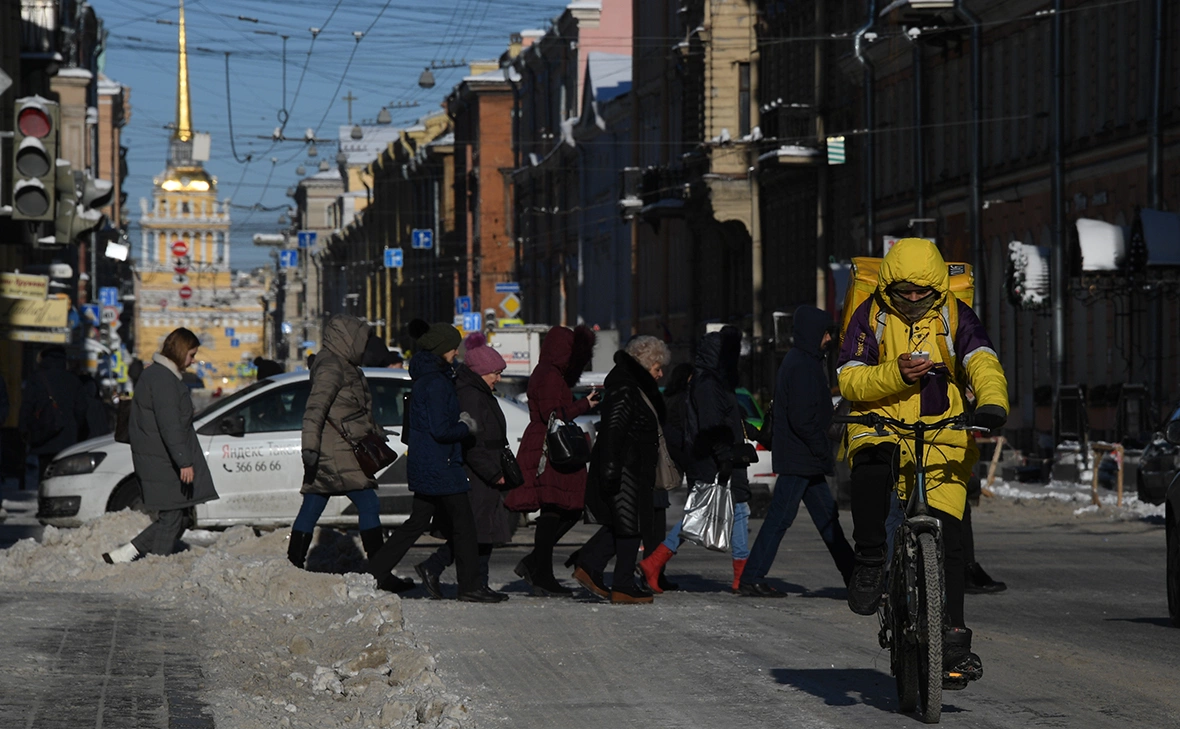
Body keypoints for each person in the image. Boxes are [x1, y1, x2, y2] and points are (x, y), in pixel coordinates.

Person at [837, 237, 1008, 683]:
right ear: (888, 287)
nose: (913, 300)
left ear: (937, 288)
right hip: (879, 424)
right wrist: (895, 373)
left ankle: (953, 644)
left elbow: (982, 360)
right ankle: (869, 562)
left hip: (940, 432)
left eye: (922, 292)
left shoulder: (955, 314)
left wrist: (992, 402)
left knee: (950, 540)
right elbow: (850, 379)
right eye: (904, 292)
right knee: (870, 474)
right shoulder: (870, 314)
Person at [369, 321, 503, 603]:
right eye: (453, 347)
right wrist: (466, 426)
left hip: (427, 462)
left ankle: (373, 573)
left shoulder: (427, 378)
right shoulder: (437, 383)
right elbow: (441, 430)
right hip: (442, 464)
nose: (457, 352)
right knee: (465, 527)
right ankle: (470, 586)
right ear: (442, 349)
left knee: (416, 522)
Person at [737, 306, 855, 597]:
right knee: (781, 518)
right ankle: (752, 577)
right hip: (799, 459)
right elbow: (803, 419)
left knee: (828, 519)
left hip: (804, 459)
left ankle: (856, 579)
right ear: (814, 333)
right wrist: (822, 450)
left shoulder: (804, 360)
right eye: (825, 333)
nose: (829, 338)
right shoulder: (802, 365)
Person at [637, 326, 757, 594]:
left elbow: (728, 420)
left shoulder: (715, 381)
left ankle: (655, 563)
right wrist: (724, 458)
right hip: (715, 461)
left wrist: (752, 432)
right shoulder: (708, 384)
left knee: (733, 511)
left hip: (722, 458)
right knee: (709, 514)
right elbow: (712, 424)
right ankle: (655, 563)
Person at [103, 328, 219, 562]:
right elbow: (170, 425)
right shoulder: (163, 380)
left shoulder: (159, 376)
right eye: (191, 354)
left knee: (181, 517)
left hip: (159, 456)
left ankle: (127, 552)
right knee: (173, 516)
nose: (193, 361)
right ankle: (157, 564)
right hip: (163, 459)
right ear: (180, 351)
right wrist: (183, 461)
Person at [290, 314, 390, 580]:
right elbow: (315, 407)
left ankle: (292, 567)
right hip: (336, 450)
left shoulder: (342, 364)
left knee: (313, 504)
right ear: (347, 339)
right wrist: (309, 447)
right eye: (360, 340)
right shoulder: (332, 366)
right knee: (368, 503)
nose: (363, 346)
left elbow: (350, 409)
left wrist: (375, 430)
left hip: (336, 448)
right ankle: (380, 572)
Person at [415, 332, 514, 600]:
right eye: (495, 373)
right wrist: (493, 472)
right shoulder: (471, 395)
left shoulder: (479, 392)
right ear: (481, 372)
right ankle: (446, 572)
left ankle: (475, 581)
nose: (498, 378)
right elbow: (473, 442)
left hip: (484, 471)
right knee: (475, 531)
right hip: (478, 474)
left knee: (481, 530)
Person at [505, 325, 598, 596]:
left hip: (550, 443)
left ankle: (536, 564)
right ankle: (541, 573)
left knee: (565, 507)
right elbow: (552, 414)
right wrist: (584, 405)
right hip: (550, 447)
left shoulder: (548, 372)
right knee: (555, 509)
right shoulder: (549, 375)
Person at [578, 336, 671, 604]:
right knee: (630, 526)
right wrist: (610, 470)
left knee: (626, 525)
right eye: (657, 368)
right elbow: (613, 431)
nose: (660, 374)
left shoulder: (633, 387)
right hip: (625, 469)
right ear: (645, 364)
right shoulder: (626, 388)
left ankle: (593, 566)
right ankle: (620, 583)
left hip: (632, 468)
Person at [19, 345, 87, 479]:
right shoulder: (73, 380)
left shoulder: (36, 379)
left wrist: (24, 430)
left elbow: (27, 406)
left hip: (43, 434)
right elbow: (81, 410)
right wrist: (76, 429)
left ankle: (45, 490)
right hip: (68, 437)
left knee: (45, 472)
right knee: (64, 474)